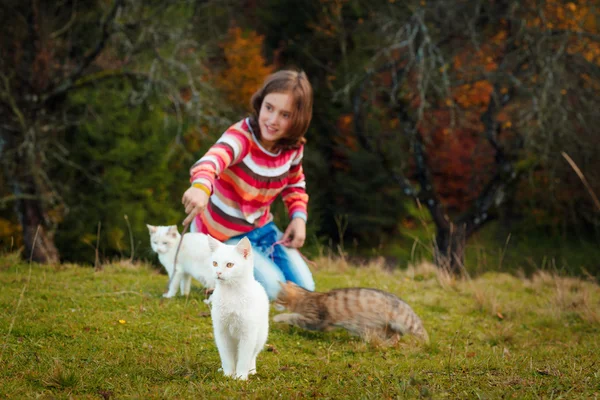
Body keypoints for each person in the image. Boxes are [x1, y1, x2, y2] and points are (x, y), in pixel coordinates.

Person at [181, 69, 315, 300]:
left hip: (262, 231)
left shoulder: (293, 149)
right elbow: (213, 159)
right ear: (260, 103)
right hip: (223, 236)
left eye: (285, 115)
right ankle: (215, 279)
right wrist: (201, 187)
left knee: (305, 290)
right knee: (273, 291)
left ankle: (251, 266)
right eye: (269, 108)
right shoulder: (242, 137)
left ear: (298, 119)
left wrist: (298, 218)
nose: (272, 120)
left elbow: (295, 184)